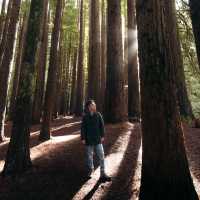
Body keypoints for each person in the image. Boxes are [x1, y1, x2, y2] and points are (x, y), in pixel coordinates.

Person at [81, 100, 111, 182]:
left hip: (98, 140)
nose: (93, 106)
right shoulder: (85, 117)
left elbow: (102, 126)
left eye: (93, 105)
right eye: (91, 105)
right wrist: (83, 138)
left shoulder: (98, 115)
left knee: (101, 156)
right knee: (89, 156)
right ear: (88, 107)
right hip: (88, 140)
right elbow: (83, 128)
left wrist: (102, 136)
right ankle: (90, 170)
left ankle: (103, 173)